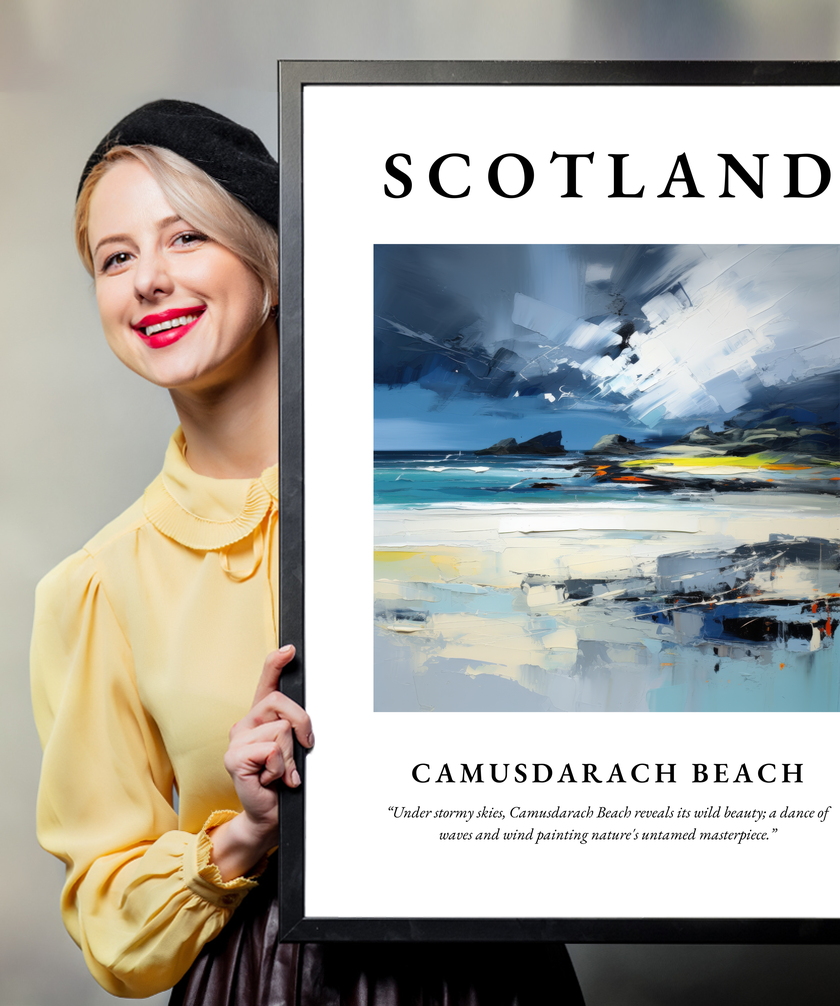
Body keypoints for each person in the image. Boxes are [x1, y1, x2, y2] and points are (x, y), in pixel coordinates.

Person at [30, 100, 585, 1004]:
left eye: (186, 239)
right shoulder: (97, 587)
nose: (148, 281)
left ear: (273, 264)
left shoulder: (447, 501)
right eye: (116, 257)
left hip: (492, 973)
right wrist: (244, 832)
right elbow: (110, 924)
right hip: (263, 982)